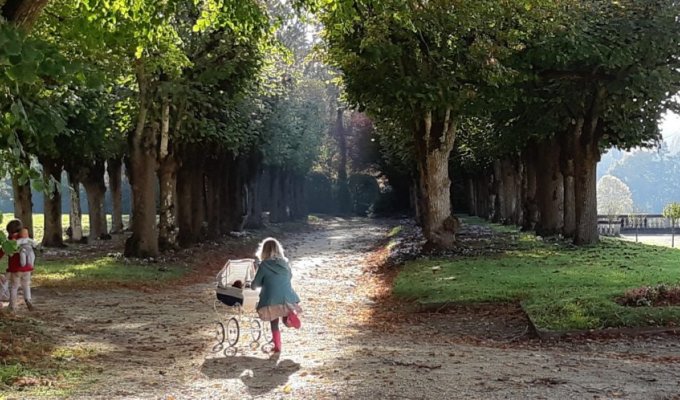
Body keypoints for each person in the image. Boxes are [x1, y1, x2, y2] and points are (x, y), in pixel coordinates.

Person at [251, 237, 301, 354]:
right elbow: (289, 277)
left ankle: (277, 345)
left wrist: (257, 274)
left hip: (271, 300)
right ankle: (289, 318)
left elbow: (255, 285)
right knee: (284, 314)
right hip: (289, 298)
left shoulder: (264, 265)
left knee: (274, 320)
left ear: (263, 251)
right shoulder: (285, 264)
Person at [0, 219, 35, 312]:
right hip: (27, 269)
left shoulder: (9, 242)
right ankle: (28, 299)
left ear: (9, 231)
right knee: (26, 285)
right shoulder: (25, 240)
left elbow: (1, 252)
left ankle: (12, 306)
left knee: (14, 287)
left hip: (15, 270)